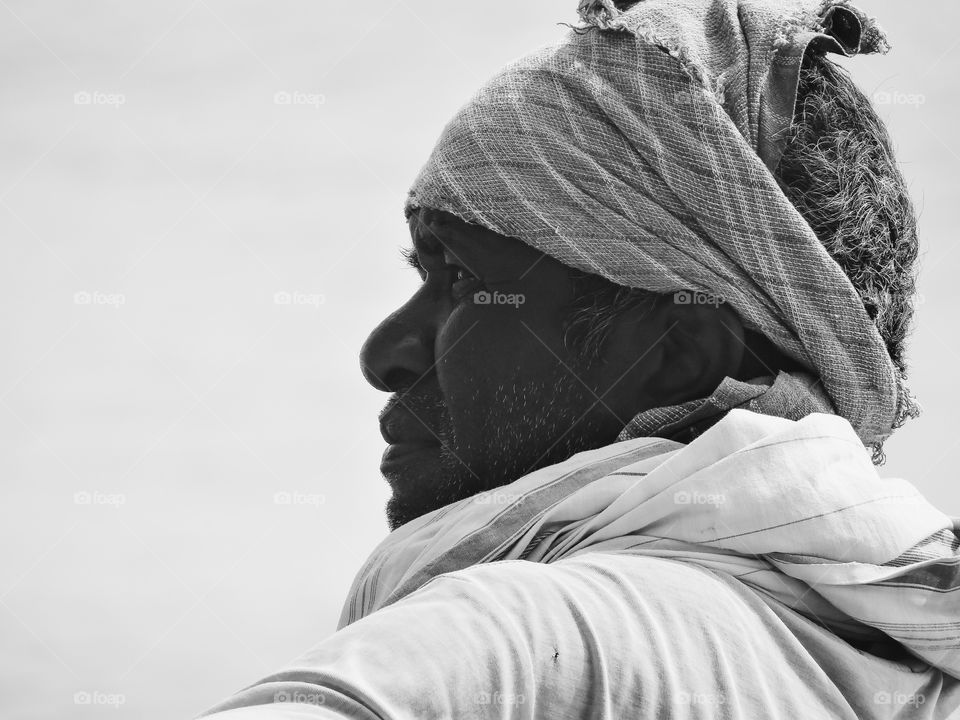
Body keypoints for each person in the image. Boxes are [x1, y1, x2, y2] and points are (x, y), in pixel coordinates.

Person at [201, 0, 960, 717]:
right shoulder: (912, 666)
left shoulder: (518, 640)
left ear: (678, 350)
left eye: (463, 277)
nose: (383, 355)